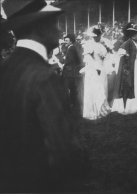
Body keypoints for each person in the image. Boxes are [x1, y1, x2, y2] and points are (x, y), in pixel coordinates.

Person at [0, 0, 88, 192]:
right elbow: (64, 151)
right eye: (54, 24)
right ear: (40, 27)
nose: (59, 31)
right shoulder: (45, 76)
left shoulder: (4, 68)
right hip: (41, 184)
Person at [112, 22, 137, 114]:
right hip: (128, 69)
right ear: (133, 35)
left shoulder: (134, 44)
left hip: (134, 68)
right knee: (126, 87)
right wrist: (126, 70)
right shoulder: (127, 44)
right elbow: (123, 58)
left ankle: (131, 105)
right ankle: (125, 107)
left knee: (132, 87)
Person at [80, 25, 110, 120]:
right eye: (98, 35)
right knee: (95, 89)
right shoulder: (89, 45)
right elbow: (88, 58)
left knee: (103, 88)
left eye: (100, 35)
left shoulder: (101, 45)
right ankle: (94, 111)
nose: (99, 37)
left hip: (102, 68)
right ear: (94, 36)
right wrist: (95, 68)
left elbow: (106, 57)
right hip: (93, 69)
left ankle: (101, 110)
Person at [62, 33, 82, 107]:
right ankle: (72, 102)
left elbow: (69, 61)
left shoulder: (71, 48)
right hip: (72, 71)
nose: (65, 42)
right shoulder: (71, 48)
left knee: (70, 87)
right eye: (64, 40)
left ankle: (71, 103)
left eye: (66, 40)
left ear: (71, 41)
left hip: (70, 72)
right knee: (72, 88)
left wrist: (63, 66)